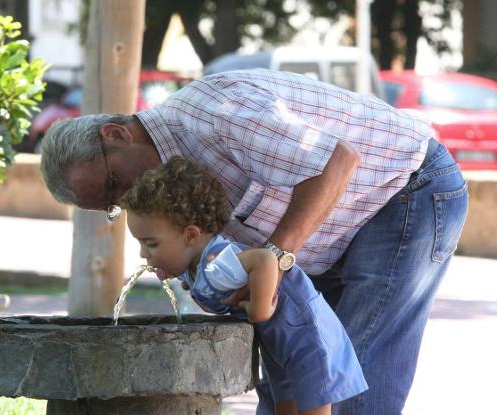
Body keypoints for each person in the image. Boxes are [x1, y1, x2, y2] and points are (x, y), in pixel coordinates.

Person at [40, 68, 468, 415]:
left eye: (114, 183)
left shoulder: (215, 112)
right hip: (330, 233)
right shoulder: (164, 187)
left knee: (350, 376)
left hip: (405, 186)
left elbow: (338, 162)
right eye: (112, 205)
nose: (126, 199)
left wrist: (277, 258)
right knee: (292, 375)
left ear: (116, 134)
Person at [119, 156, 368, 415]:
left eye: (151, 243)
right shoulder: (195, 266)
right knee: (285, 404)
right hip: (279, 339)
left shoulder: (217, 261)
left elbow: (265, 258)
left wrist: (259, 309)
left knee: (311, 406)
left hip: (304, 333)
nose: (142, 253)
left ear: (191, 235)